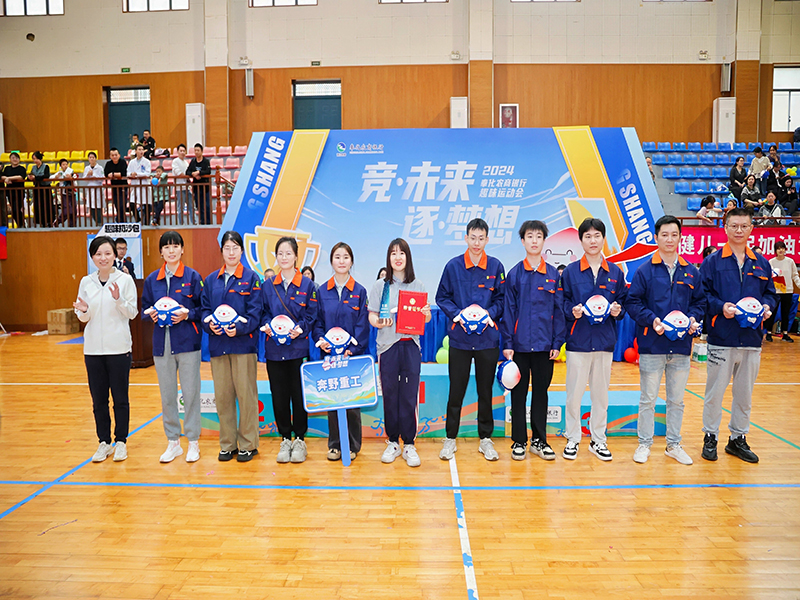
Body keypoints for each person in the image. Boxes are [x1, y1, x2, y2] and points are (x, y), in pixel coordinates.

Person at [626, 216, 706, 465]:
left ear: (680, 237)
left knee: (676, 400)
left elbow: (700, 302)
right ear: (656, 237)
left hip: (681, 347)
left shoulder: (691, 271)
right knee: (648, 399)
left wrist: (692, 318)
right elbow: (632, 302)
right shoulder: (645, 270)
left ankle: (673, 444)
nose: (669, 239)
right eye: (664, 234)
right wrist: (652, 320)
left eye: (674, 234)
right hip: (652, 346)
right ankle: (644, 444)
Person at [700, 208, 777, 464]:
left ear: (752, 228)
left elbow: (770, 294)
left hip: (752, 340)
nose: (739, 230)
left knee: (744, 394)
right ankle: (710, 436)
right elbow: (702, 295)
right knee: (714, 393)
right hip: (722, 338)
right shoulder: (712, 262)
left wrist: (767, 307)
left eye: (744, 226)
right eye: (734, 225)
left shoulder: (761, 263)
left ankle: (737, 439)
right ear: (725, 228)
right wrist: (721, 307)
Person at [436, 218, 506, 462]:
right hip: (460, 340)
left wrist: (489, 314)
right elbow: (441, 297)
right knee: (456, 390)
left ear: (487, 239)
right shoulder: (453, 266)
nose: (477, 243)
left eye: (481, 238)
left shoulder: (496, 266)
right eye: (473, 238)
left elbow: (502, 299)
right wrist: (458, 315)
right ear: (466, 238)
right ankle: (450, 438)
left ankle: (485, 439)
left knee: (485, 391)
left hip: (487, 340)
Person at [559, 218, 627, 461]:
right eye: (587, 236)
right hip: (578, 342)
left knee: (600, 396)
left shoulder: (615, 272)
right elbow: (562, 303)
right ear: (581, 240)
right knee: (574, 395)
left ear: (603, 239)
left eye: (597, 235)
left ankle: (598, 440)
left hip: (604, 342)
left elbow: (623, 303)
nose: (593, 240)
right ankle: (573, 438)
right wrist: (572, 311)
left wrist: (618, 311)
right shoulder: (570, 272)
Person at [500, 220, 565, 461]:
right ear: (523, 241)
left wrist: (557, 343)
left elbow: (559, 311)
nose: (534, 240)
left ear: (544, 240)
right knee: (518, 395)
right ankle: (519, 441)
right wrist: (508, 344)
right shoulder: (514, 274)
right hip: (519, 347)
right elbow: (508, 311)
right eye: (530, 236)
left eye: (539, 236)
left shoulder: (553, 275)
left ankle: (539, 440)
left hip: (544, 347)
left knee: (541, 393)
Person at [73, 236, 138, 463]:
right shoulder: (86, 282)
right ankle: (104, 442)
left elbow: (132, 313)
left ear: (114, 255)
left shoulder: (125, 280)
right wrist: (83, 310)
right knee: (98, 400)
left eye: (107, 253)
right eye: (98, 254)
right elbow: (84, 317)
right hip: (93, 350)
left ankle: (121, 441)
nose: (103, 258)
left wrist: (118, 299)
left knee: (120, 398)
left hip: (118, 348)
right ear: (92, 257)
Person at [200, 231, 263, 463]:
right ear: (222, 252)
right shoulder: (210, 280)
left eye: (235, 247)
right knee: (223, 397)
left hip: (243, 345)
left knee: (246, 396)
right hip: (218, 346)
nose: (231, 252)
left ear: (242, 251)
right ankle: (227, 444)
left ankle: (248, 444)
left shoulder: (251, 278)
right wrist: (209, 325)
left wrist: (239, 328)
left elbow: (256, 313)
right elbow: (204, 310)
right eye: (227, 248)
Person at [368, 238, 431, 467]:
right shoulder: (380, 286)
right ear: (389, 258)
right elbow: (372, 314)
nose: (397, 257)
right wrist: (378, 322)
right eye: (393, 253)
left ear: (407, 257)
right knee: (390, 394)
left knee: (409, 394)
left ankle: (410, 443)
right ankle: (393, 441)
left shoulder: (418, 285)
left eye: (401, 253)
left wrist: (426, 314)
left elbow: (426, 317)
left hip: (410, 345)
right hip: (388, 346)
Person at [142, 231, 204, 463]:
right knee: (167, 394)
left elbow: (202, 310)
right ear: (161, 252)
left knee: (191, 393)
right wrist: (152, 315)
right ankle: (173, 442)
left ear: (182, 249)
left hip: (187, 343)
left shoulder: (193, 277)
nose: (171, 251)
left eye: (175, 246)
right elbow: (144, 310)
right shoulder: (152, 280)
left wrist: (187, 315)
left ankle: (193, 442)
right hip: (162, 345)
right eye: (166, 247)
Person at [262, 237, 319, 464]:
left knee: (299, 394)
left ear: (296, 256)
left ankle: (300, 439)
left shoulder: (307, 285)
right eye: (280, 253)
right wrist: (268, 326)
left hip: (298, 349)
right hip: (274, 349)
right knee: (279, 395)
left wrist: (300, 329)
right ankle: (285, 438)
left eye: (288, 253)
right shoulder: (268, 285)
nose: (284, 257)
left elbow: (312, 315)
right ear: (276, 257)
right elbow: (263, 312)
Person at [313, 242, 370, 462]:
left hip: (351, 357)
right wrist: (321, 341)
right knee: (333, 400)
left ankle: (353, 445)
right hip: (329, 356)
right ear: (331, 261)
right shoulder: (322, 291)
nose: (341, 261)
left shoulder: (359, 291)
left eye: (345, 257)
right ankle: (335, 445)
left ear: (351, 261)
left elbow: (362, 326)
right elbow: (317, 322)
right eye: (337, 257)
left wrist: (352, 350)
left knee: (352, 402)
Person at [764, 240, 800, 342]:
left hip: (787, 291)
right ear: (775, 250)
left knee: (786, 313)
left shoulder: (790, 261)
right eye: (778, 248)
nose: (781, 250)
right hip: (775, 292)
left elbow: (795, 276)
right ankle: (769, 333)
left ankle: (785, 333)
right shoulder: (771, 262)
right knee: (772, 313)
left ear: (785, 250)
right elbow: (769, 276)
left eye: (782, 248)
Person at [1, 151, 27, 227]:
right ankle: (20, 224)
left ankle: (21, 223)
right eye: (13, 158)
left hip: (19, 192)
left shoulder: (21, 168)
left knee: (17, 209)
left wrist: (9, 178)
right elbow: (2, 176)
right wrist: (6, 178)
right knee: (13, 210)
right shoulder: (7, 168)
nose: (15, 159)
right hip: (10, 192)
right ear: (10, 159)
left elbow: (20, 177)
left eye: (16, 158)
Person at [127, 144, 152, 223]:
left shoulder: (147, 162)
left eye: (142, 150)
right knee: (132, 204)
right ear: (135, 151)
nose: (141, 151)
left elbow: (147, 173)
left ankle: (147, 223)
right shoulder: (132, 162)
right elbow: (128, 173)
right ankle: (138, 220)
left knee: (146, 205)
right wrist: (131, 174)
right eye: (139, 150)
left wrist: (137, 174)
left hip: (144, 185)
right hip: (135, 185)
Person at [28, 151, 53, 228]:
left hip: (45, 189)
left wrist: (36, 177)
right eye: (33, 159)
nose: (35, 160)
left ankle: (49, 222)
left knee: (47, 205)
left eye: (36, 159)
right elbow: (31, 176)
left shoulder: (46, 167)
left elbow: (46, 176)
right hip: (37, 189)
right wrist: (30, 177)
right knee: (38, 205)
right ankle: (41, 222)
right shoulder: (33, 167)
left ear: (40, 159)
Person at [188, 143, 211, 225]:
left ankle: (208, 222)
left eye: (198, 150)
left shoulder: (206, 161)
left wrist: (199, 172)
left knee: (207, 206)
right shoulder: (193, 161)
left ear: (201, 151)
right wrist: (193, 174)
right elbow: (188, 171)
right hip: (196, 188)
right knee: (199, 206)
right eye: (195, 150)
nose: (196, 152)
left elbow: (208, 171)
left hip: (205, 188)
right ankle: (202, 222)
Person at [172, 144, 194, 225]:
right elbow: (178, 173)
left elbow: (189, 173)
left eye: (184, 151)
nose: (182, 152)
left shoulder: (186, 163)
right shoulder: (175, 161)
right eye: (180, 151)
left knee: (191, 206)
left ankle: (194, 222)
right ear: (177, 152)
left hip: (187, 187)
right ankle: (181, 223)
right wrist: (186, 176)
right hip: (179, 188)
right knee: (180, 207)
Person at [104, 148, 128, 221]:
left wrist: (113, 174)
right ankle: (120, 220)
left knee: (122, 205)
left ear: (119, 155)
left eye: (116, 155)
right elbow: (106, 174)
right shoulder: (108, 164)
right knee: (117, 205)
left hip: (123, 187)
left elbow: (123, 173)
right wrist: (113, 175)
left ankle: (121, 221)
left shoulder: (123, 162)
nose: (114, 156)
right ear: (110, 156)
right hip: (114, 187)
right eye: (112, 155)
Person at [83, 151, 105, 226]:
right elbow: (84, 180)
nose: (91, 159)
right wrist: (88, 175)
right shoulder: (87, 168)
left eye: (93, 157)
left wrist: (95, 176)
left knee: (98, 207)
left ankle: (100, 223)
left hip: (97, 188)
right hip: (90, 189)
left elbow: (102, 178)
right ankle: (97, 223)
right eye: (90, 157)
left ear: (95, 158)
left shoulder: (100, 168)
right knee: (91, 208)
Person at [53, 158, 76, 228]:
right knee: (67, 211)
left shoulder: (71, 171)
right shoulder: (59, 173)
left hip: (72, 193)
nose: (65, 166)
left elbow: (75, 183)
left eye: (66, 164)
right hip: (64, 194)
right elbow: (51, 177)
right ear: (60, 166)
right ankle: (57, 221)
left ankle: (72, 226)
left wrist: (71, 178)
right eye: (63, 164)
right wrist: (56, 177)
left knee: (73, 211)